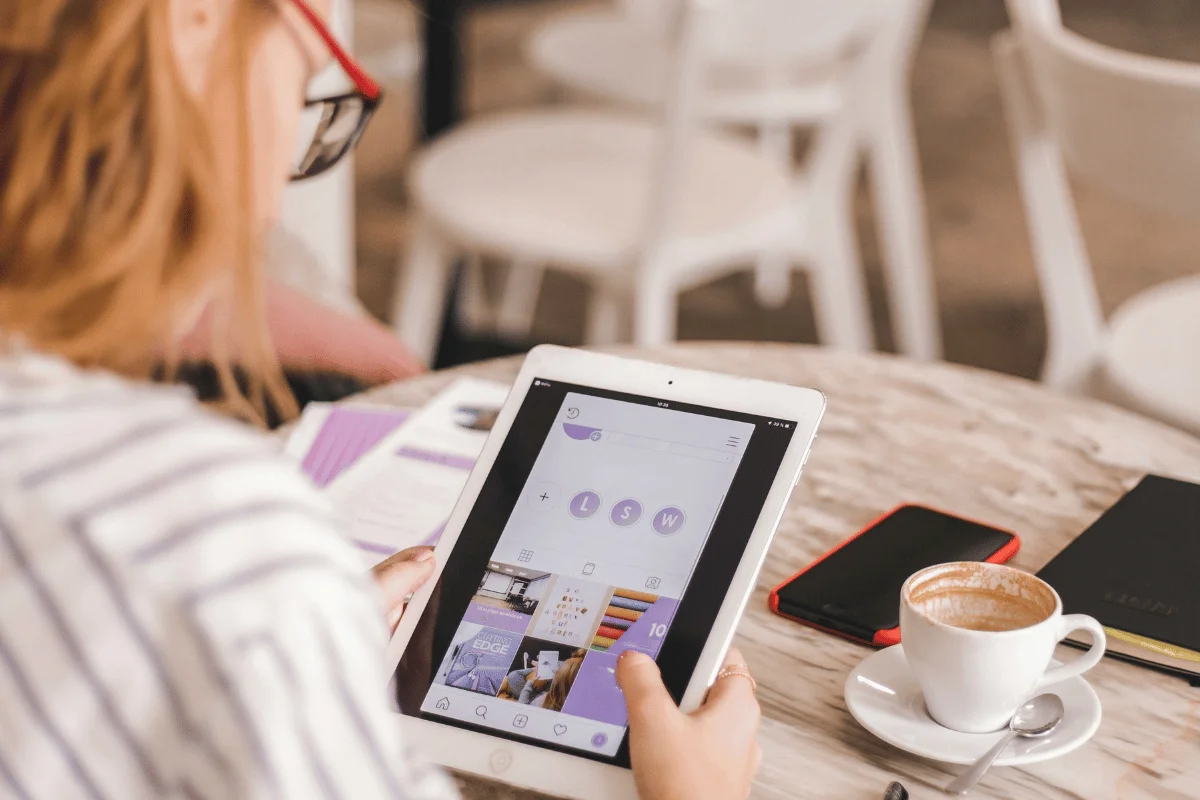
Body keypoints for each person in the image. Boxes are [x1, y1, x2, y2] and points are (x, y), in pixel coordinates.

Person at [0, 0, 762, 798]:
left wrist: (298, 668)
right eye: (306, 92)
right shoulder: (206, 545)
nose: (267, 208)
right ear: (192, 22)